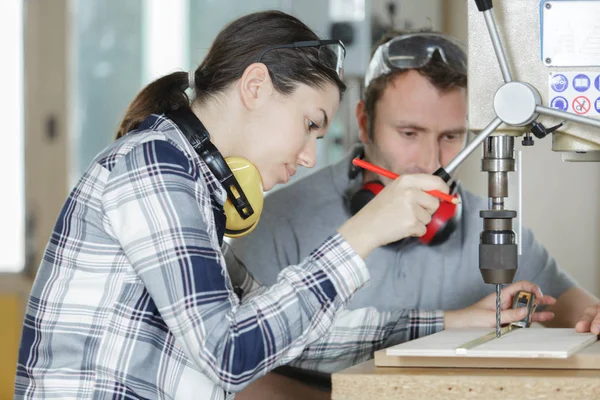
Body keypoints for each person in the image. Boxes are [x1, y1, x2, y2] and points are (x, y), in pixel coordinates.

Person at [14, 12, 466, 400]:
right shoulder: (154, 166)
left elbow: (292, 335)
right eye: (310, 124)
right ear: (255, 86)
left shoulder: (194, 191)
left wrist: (452, 323)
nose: (309, 156)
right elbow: (227, 352)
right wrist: (362, 234)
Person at [230, 30, 600, 399]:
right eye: (409, 133)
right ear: (364, 122)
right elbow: (235, 370)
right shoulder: (279, 221)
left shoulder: (490, 225)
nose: (430, 162)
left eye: (451, 137)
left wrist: (593, 317)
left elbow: (574, 309)